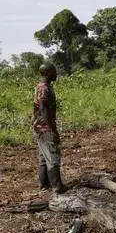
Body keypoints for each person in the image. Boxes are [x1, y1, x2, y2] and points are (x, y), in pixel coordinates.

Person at [33, 63, 65, 193]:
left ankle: (44, 185)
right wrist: (52, 130)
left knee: (43, 157)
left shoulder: (46, 87)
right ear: (47, 73)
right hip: (45, 128)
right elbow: (43, 108)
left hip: (42, 127)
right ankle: (57, 187)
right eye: (53, 72)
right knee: (52, 156)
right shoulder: (43, 88)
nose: (55, 74)